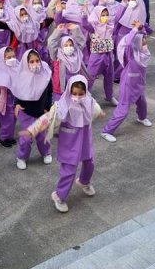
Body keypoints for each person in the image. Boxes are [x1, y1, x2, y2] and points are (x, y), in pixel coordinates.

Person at [21, 76, 105, 213]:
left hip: (85, 141)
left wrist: (99, 112)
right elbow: (47, 118)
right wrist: (33, 130)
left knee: (90, 163)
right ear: (69, 91)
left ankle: (84, 181)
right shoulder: (62, 106)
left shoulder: (89, 102)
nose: (77, 97)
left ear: (86, 92)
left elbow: (95, 107)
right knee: (69, 171)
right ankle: (59, 196)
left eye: (81, 94)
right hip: (70, 144)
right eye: (74, 93)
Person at [101, 21, 152, 142]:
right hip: (128, 86)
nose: (145, 41)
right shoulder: (130, 55)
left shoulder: (143, 53)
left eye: (145, 39)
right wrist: (134, 30)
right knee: (123, 111)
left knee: (142, 103)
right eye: (143, 40)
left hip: (139, 85)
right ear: (137, 42)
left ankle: (142, 117)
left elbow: (147, 32)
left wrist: (141, 28)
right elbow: (128, 42)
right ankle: (107, 131)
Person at [10, 50, 54, 170]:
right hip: (27, 112)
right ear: (26, 63)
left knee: (42, 136)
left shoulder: (45, 75)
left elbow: (49, 93)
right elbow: (17, 91)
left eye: (37, 61)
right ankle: (21, 157)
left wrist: (47, 107)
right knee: (26, 138)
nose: (35, 64)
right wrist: (17, 104)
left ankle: (46, 153)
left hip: (41, 112)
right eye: (31, 61)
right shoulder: (21, 77)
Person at [81, 5, 122, 106]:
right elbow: (85, 24)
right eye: (102, 15)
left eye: (106, 15)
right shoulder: (94, 27)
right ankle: (85, 96)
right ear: (97, 16)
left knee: (109, 76)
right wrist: (84, 14)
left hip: (108, 54)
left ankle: (109, 96)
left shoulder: (110, 25)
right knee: (90, 76)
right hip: (96, 56)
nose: (105, 17)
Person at [47, 23, 88, 101]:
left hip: (74, 87)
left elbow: (82, 42)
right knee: (60, 104)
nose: (69, 47)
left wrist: (76, 29)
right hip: (60, 88)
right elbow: (51, 43)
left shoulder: (76, 54)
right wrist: (58, 31)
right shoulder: (57, 55)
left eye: (71, 45)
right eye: (65, 45)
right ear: (61, 46)